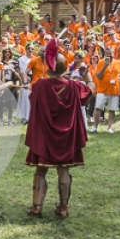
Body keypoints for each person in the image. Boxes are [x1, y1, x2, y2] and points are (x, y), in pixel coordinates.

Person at [24, 50, 91, 219]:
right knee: (64, 170)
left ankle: (37, 207)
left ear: (48, 67)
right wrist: (87, 74)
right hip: (66, 138)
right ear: (64, 68)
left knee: (41, 170)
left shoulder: (40, 85)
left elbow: (33, 100)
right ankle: (63, 208)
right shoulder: (75, 86)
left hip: (45, 136)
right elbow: (90, 92)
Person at [89, 49, 120, 134]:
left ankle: (110, 128)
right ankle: (95, 127)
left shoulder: (118, 63)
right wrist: (105, 67)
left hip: (114, 89)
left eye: (111, 53)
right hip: (102, 89)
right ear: (105, 54)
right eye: (107, 53)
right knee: (98, 108)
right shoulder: (101, 62)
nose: (109, 55)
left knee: (112, 109)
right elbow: (98, 76)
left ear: (114, 53)